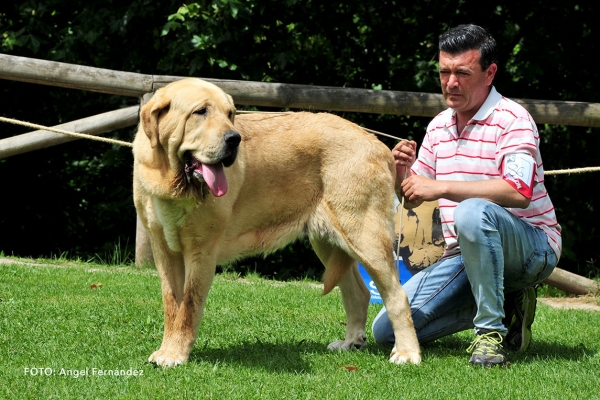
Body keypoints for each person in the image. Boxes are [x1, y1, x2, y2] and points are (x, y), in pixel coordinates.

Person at [372, 24, 561, 367]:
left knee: (472, 212)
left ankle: (489, 336)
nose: (451, 83)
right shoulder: (439, 125)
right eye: (444, 72)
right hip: (464, 254)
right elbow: (414, 198)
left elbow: (517, 193)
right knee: (387, 331)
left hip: (533, 249)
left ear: (490, 73)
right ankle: (504, 305)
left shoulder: (513, 119)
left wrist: (442, 187)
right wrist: (403, 172)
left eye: (462, 72)